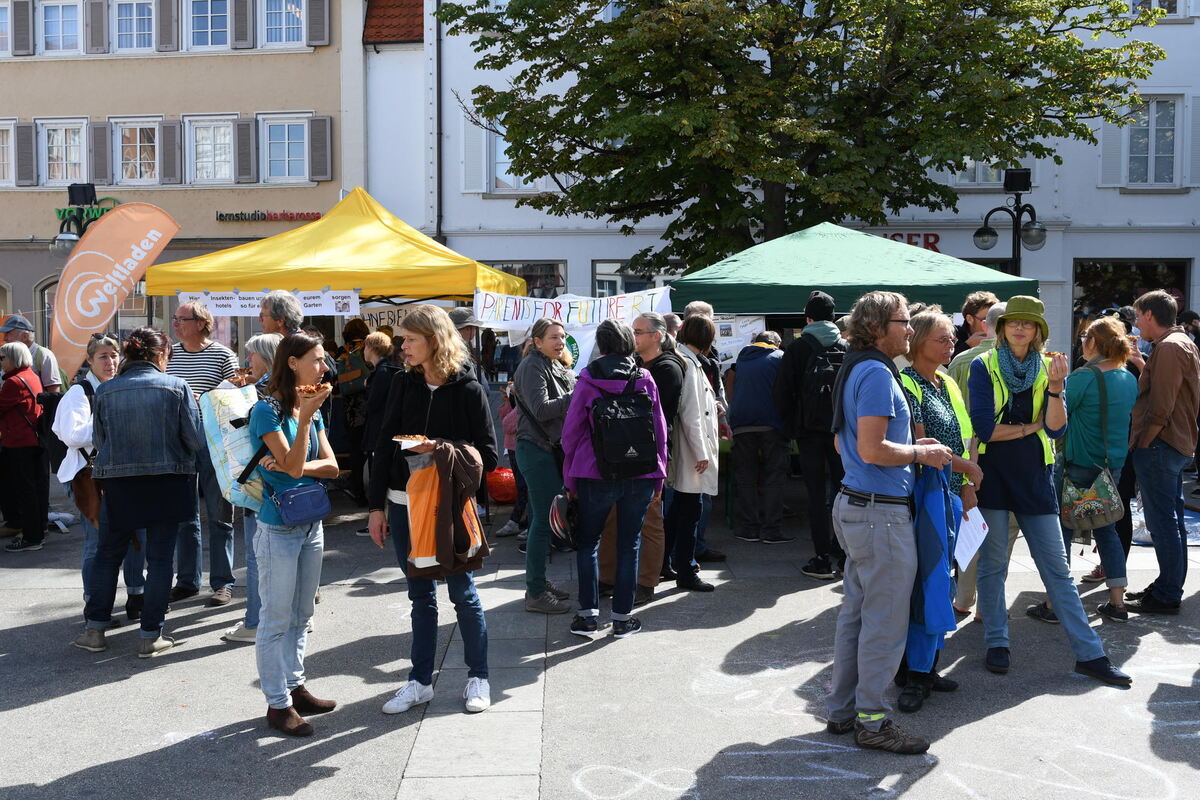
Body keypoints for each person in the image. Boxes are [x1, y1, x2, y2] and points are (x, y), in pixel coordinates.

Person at [968, 296, 1130, 686]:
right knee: (993, 566)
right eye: (1012, 323)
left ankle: (1090, 654)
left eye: (1027, 323)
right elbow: (985, 429)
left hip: (1036, 477)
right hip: (993, 474)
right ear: (1003, 328)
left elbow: (1056, 428)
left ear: (1039, 331)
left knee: (1057, 569)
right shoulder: (983, 364)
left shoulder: (1049, 368)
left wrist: (1056, 389)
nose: (1020, 329)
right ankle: (996, 642)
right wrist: (1030, 426)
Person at [823, 291, 949, 755]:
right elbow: (874, 449)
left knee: (857, 615)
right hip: (879, 515)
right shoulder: (876, 373)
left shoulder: (856, 367)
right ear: (878, 327)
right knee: (885, 623)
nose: (910, 329)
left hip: (858, 506)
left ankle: (843, 713)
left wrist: (908, 448)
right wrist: (921, 452)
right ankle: (872, 721)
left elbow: (846, 446)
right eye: (903, 321)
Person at [368, 305, 496, 715]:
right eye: (402, 340)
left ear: (434, 341)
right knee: (420, 595)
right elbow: (383, 444)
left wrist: (437, 449)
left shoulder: (469, 388)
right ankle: (420, 682)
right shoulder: (402, 384)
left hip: (451, 507)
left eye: (410, 339)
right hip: (403, 504)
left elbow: (489, 457)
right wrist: (375, 506)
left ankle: (479, 676)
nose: (401, 346)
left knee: (463, 594)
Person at [73, 328, 202, 657]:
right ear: (160, 356)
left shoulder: (106, 390)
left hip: (120, 485)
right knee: (159, 560)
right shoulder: (177, 387)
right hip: (169, 481)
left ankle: (95, 631)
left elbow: (100, 441)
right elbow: (193, 439)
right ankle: (150, 635)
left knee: (107, 556)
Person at [245, 332, 340, 736]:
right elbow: (300, 465)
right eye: (316, 360)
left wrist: (289, 464)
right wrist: (301, 430)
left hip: (311, 524)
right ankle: (277, 703)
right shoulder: (266, 411)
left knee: (303, 614)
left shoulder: (312, 406)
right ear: (292, 362)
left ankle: (295, 685)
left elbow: (331, 466)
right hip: (278, 526)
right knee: (276, 618)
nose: (324, 368)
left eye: (323, 361)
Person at [895, 309, 980, 712]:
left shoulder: (944, 381)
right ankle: (913, 674)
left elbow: (964, 437)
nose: (951, 345)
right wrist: (968, 471)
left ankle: (925, 667)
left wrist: (965, 487)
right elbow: (923, 445)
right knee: (926, 584)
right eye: (942, 339)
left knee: (940, 580)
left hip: (946, 492)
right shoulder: (907, 382)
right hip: (922, 495)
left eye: (951, 339)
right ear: (917, 342)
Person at [561, 319, 668, 638]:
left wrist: (570, 479)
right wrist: (659, 476)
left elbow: (570, 434)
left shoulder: (588, 378)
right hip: (641, 471)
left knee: (588, 542)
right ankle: (622, 618)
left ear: (602, 345)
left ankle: (588, 616)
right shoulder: (644, 377)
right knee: (629, 544)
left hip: (594, 472)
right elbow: (660, 431)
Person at [52, 334, 146, 615]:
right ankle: (94, 603)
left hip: (124, 475)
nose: (111, 361)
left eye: (115, 355)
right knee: (98, 544)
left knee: (136, 536)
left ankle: (136, 596)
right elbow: (70, 435)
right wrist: (110, 423)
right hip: (89, 477)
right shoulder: (80, 392)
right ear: (90, 360)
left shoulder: (122, 386)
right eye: (103, 356)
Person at [1054, 316, 1138, 622]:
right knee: (1107, 529)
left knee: (1062, 530)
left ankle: (1055, 604)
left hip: (1079, 463)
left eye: (1085, 336)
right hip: (1111, 464)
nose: (1080, 341)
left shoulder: (1082, 377)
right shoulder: (1127, 376)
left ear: (1093, 342)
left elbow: (1057, 419)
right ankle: (1117, 601)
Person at [596, 311, 682, 604]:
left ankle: (646, 582)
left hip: (648, 453)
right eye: (632, 331)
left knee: (650, 520)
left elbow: (660, 419)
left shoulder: (667, 368)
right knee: (611, 517)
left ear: (656, 336)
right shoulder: (633, 365)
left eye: (639, 331)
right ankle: (607, 579)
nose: (633, 336)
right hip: (616, 454)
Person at [1127, 290, 1200, 615]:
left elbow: (1162, 406)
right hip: (1172, 443)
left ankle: (1168, 593)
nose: (1137, 321)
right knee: (1170, 523)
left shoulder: (1170, 347)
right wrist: (1142, 362)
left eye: (1139, 315)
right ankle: (1167, 586)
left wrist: (1144, 443)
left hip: (1161, 445)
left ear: (1151, 316)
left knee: (1164, 524)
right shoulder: (1177, 343)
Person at [167, 300, 238, 606]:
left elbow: (238, 396)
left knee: (220, 514)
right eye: (175, 319)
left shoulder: (223, 354)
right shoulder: (169, 354)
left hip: (214, 443)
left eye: (181, 319)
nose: (175, 323)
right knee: (184, 515)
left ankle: (222, 582)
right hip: (179, 443)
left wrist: (206, 399)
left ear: (200, 322)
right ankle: (187, 581)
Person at [774, 290, 847, 579]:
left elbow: (781, 392)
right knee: (843, 491)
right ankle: (842, 552)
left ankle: (820, 558)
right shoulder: (845, 345)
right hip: (841, 431)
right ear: (834, 317)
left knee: (815, 494)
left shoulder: (797, 347)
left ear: (807, 318)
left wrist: (791, 427)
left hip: (808, 432)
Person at [222, 332, 283, 644]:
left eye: (252, 356)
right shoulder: (286, 388)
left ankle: (256, 622)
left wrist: (229, 398)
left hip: (259, 479)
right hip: (282, 481)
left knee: (258, 554)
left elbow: (238, 431)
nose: (247, 362)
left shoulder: (256, 393)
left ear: (267, 358)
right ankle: (285, 618)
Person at [512, 318, 576, 614]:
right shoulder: (533, 365)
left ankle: (538, 580)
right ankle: (535, 592)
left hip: (547, 450)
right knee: (540, 520)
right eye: (553, 337)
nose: (560, 341)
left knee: (545, 518)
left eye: (562, 336)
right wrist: (576, 396)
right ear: (537, 341)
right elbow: (541, 409)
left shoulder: (552, 363)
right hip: (535, 450)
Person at [664, 314, 720, 592]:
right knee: (690, 511)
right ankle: (686, 569)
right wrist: (701, 453)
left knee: (677, 510)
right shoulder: (688, 363)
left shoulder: (685, 359)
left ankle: (667, 562)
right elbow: (691, 414)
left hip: (687, 446)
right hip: (691, 449)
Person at [728, 331, 792, 544]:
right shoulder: (780, 358)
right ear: (777, 343)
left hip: (741, 423)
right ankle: (771, 530)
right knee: (774, 476)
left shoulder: (742, 359)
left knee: (746, 475)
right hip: (771, 423)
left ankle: (748, 528)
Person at [0, 342, 48, 553]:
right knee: (33, 490)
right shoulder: (31, 375)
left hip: (19, 442)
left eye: (2, 357)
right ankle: (37, 532)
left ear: (13, 358)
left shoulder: (13, 382)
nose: (1, 362)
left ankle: (31, 537)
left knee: (25, 491)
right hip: (34, 440)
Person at [337, 318, 373, 507]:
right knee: (374, 452)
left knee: (356, 453)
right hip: (369, 407)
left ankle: (358, 492)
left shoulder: (344, 351)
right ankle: (376, 494)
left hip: (351, 410)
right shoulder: (368, 347)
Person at [496, 383, 529, 538]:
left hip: (521, 449)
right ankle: (522, 520)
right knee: (521, 486)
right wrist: (507, 400)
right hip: (513, 448)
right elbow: (504, 417)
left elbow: (507, 424)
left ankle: (516, 521)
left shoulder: (527, 401)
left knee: (524, 487)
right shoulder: (519, 401)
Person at [1, 313, 62, 392]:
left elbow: (54, 392)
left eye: (8, 334)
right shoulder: (5, 355)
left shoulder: (44, 355)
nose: (5, 338)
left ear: (25, 336)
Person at [449, 307, 488, 386]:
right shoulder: (457, 352)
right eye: (474, 327)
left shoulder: (449, 348)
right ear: (467, 328)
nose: (475, 331)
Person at [954, 291, 998, 356]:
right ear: (970, 319)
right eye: (987, 320)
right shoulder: (952, 334)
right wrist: (968, 345)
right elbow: (943, 361)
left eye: (996, 320)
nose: (993, 325)